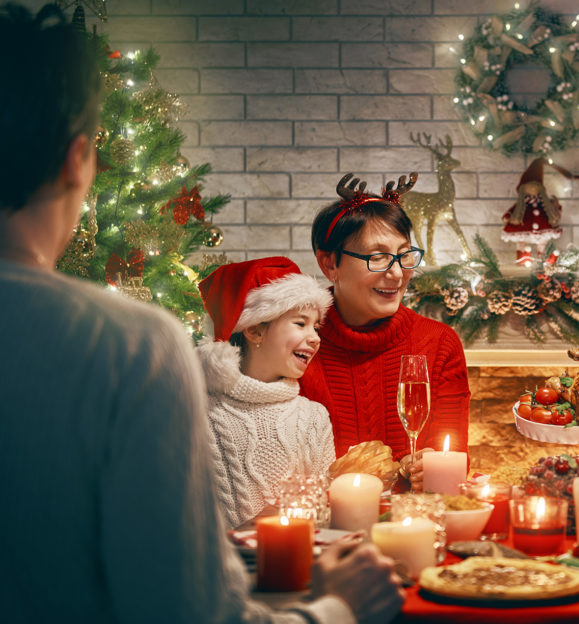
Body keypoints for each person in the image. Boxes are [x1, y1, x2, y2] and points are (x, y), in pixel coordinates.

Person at [0, 4, 403, 622]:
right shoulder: (128, 348)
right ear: (78, 160)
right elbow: (192, 612)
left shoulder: (303, 409)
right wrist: (339, 609)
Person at [300, 173, 470, 491]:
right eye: (378, 257)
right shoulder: (298, 343)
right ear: (329, 264)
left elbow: (455, 459)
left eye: (404, 255)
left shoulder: (439, 344)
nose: (396, 273)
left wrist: (432, 465)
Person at [197, 256, 335, 529]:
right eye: (300, 323)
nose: (315, 337)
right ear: (254, 330)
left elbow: (324, 515)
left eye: (316, 326)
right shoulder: (200, 414)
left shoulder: (313, 418)